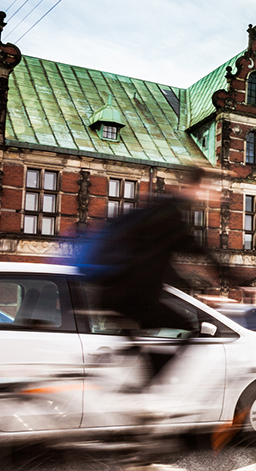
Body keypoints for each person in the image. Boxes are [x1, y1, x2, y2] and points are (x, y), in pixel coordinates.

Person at [77, 165, 226, 390]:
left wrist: (189, 283)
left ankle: (129, 372)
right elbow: (194, 247)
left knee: (142, 335)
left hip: (114, 291)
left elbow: (161, 260)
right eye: (208, 189)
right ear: (198, 187)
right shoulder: (171, 212)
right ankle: (145, 388)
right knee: (189, 325)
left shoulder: (158, 207)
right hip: (130, 295)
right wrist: (230, 276)